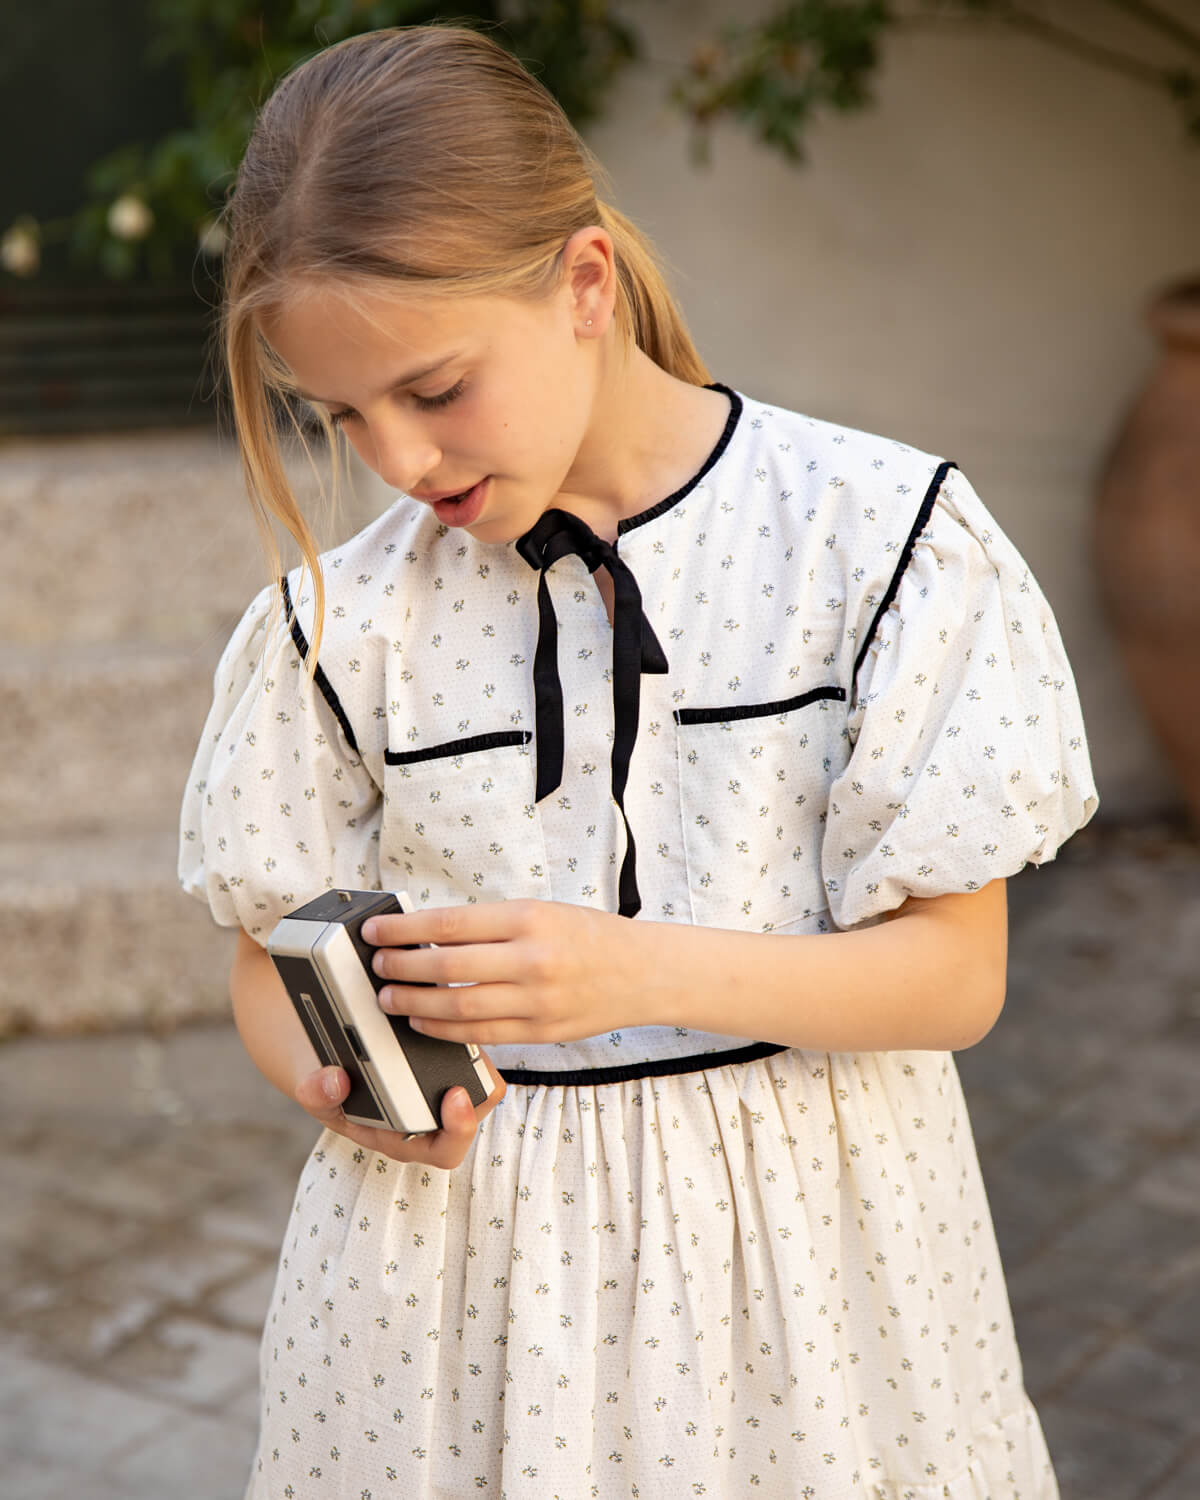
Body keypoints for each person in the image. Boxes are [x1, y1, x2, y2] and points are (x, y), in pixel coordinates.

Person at [178, 23, 1098, 1500]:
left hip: (807, 1268)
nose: (399, 462)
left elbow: (955, 978)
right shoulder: (338, 623)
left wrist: (631, 972)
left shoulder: (877, 543)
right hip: (441, 1294)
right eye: (340, 416)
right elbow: (261, 948)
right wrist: (342, 1083)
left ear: (585, 283)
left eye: (434, 389)